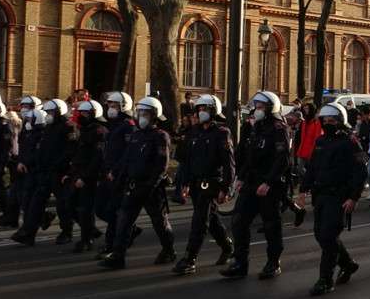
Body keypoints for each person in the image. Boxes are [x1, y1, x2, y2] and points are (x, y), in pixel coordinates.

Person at [295, 102, 368, 296]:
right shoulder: (320, 142)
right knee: (321, 235)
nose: (327, 123)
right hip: (321, 195)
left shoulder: (350, 142)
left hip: (339, 196)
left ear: (340, 121)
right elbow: (313, 167)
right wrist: (303, 189)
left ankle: (325, 279)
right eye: (324, 120)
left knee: (328, 236)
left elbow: (360, 172)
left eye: (331, 120)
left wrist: (353, 197)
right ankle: (348, 263)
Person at [99, 97, 177, 269]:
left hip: (151, 189)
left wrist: (150, 185)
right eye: (140, 112)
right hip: (133, 186)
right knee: (124, 221)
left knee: (159, 222)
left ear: (154, 116)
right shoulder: (136, 135)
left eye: (146, 113)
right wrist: (118, 177)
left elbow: (161, 165)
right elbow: (126, 160)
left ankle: (169, 250)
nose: (141, 116)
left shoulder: (160, 136)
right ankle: (118, 256)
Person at [222, 91, 290, 280]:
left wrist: (269, 182)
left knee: (271, 225)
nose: (257, 110)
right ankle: (240, 262)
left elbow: (282, 159)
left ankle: (273, 262)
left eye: (261, 107)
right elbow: (248, 156)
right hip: (251, 182)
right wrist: (241, 178)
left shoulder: (278, 128)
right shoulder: (256, 127)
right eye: (256, 106)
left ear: (270, 108)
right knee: (238, 222)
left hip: (269, 185)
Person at [173, 94, 234, 276]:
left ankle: (190, 258)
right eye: (199, 109)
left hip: (212, 183)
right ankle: (227, 246)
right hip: (195, 182)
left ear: (213, 111)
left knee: (199, 220)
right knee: (210, 218)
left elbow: (228, 162)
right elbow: (188, 161)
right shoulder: (194, 132)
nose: (201, 113)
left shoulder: (222, 133)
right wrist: (184, 183)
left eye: (205, 109)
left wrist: (226, 187)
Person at [12, 99, 76, 246]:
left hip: (59, 171)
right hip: (45, 170)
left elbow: (70, 150)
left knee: (62, 204)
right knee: (36, 202)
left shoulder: (68, 127)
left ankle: (67, 231)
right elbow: (43, 149)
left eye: (51, 112)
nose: (48, 115)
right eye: (47, 112)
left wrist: (60, 166)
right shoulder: (49, 127)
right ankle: (28, 233)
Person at [96, 93, 138, 259]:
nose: (110, 109)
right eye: (109, 105)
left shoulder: (128, 125)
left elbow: (127, 153)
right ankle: (128, 229)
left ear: (123, 106)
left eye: (114, 105)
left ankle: (111, 245)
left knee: (114, 211)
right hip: (107, 173)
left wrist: (117, 171)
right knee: (99, 208)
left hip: (119, 176)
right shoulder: (112, 125)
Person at [67, 100, 107, 252]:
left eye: (85, 113)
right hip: (78, 175)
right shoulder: (83, 130)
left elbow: (97, 157)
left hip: (90, 178)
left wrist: (84, 177)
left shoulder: (99, 131)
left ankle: (86, 239)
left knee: (86, 209)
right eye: (81, 113)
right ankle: (90, 230)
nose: (82, 116)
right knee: (70, 205)